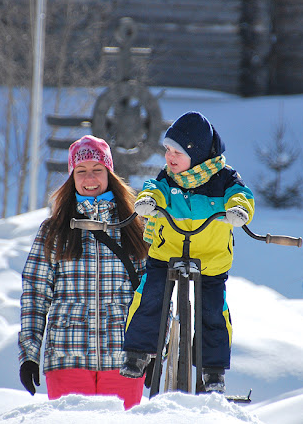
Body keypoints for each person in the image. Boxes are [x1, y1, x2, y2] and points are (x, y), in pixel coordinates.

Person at [119, 111, 255, 393]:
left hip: (211, 260)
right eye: (167, 150)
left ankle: (212, 369)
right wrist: (146, 201)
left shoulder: (225, 179)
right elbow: (153, 189)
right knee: (150, 295)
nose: (169, 157)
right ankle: (138, 351)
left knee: (212, 312)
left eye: (177, 152)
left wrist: (239, 210)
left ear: (198, 154)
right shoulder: (168, 178)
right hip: (166, 252)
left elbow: (242, 196)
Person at [18, 135, 149, 410]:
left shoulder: (136, 228)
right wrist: (30, 355)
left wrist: (155, 351)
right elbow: (35, 294)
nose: (90, 177)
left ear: (110, 174)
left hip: (125, 358)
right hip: (67, 357)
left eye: (97, 169)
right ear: (72, 177)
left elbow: (152, 294)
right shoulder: (52, 230)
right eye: (81, 171)